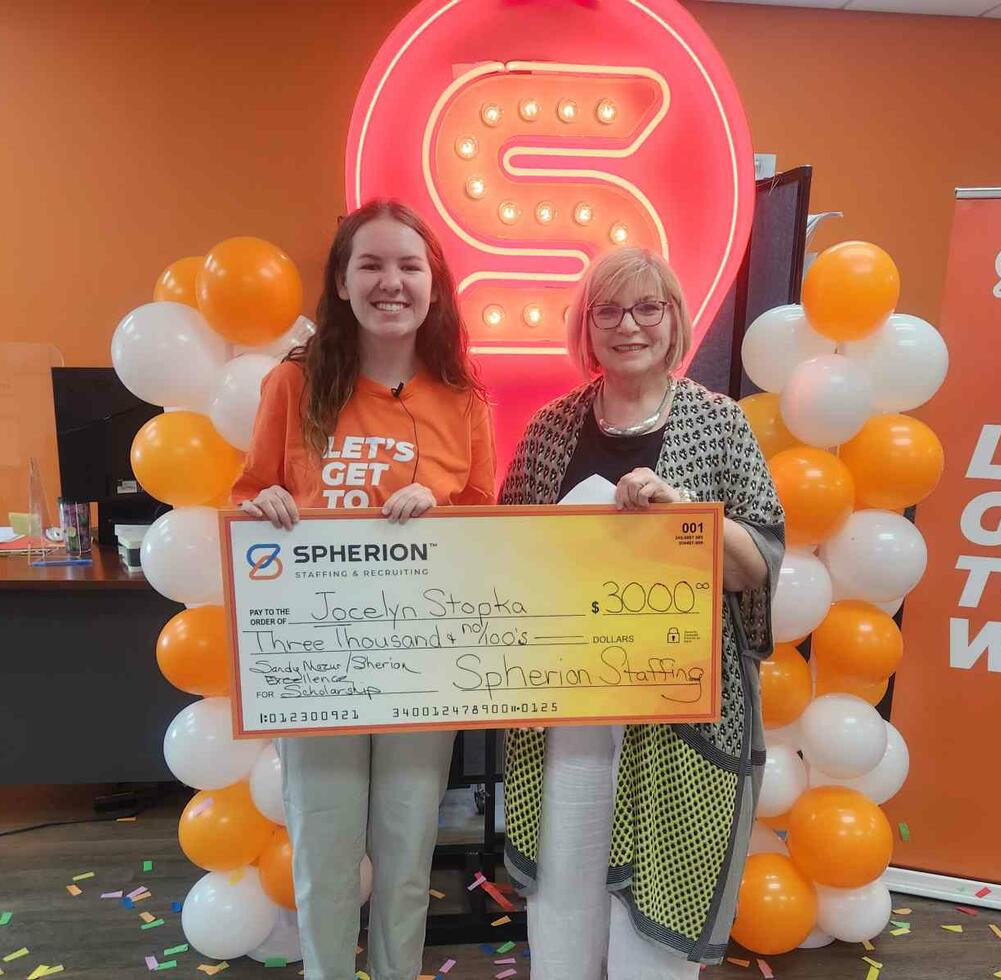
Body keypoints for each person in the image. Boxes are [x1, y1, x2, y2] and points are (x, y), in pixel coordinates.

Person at [499, 247, 785, 977]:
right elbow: (504, 559)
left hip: (678, 711)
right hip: (569, 714)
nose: (629, 326)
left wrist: (684, 516)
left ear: (674, 320)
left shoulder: (719, 424)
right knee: (564, 888)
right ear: (586, 327)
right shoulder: (548, 430)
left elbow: (758, 566)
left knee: (656, 913)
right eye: (608, 310)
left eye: (647, 307)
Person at [232, 199, 495, 980]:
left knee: (410, 858)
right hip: (320, 673)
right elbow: (249, 497)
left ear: (434, 285)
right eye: (371, 265)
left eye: (409, 266)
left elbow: (486, 530)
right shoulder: (294, 384)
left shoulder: (464, 398)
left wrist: (441, 509)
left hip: (420, 666)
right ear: (341, 284)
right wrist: (263, 506)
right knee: (325, 857)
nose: (391, 282)